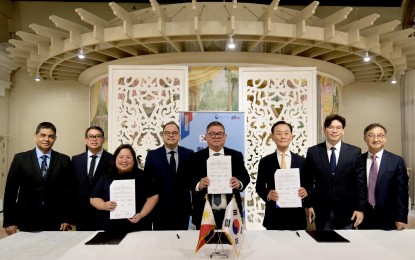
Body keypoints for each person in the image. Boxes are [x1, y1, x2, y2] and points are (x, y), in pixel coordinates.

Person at [3, 122, 74, 235]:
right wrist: (9, 221)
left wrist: (67, 218)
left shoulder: (63, 160)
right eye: (43, 135)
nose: (46, 139)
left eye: (51, 136)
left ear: (55, 139)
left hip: (55, 220)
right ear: (35, 136)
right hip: (27, 218)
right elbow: (10, 192)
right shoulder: (20, 159)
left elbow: (68, 192)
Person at [303, 114, 367, 230]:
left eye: (338, 127)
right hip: (321, 210)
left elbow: (360, 183)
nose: (334, 130)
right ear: (324, 130)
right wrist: (309, 204)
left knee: (347, 246)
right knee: (324, 246)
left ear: (343, 131)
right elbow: (307, 180)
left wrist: (360, 208)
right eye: (331, 127)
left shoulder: (354, 152)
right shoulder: (313, 152)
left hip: (348, 211)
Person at [187, 121, 250, 229]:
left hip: (231, 212)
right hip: (204, 213)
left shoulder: (236, 155)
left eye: (220, 134)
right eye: (212, 134)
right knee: (206, 246)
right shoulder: (195, 157)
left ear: (225, 136)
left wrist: (238, 183)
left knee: (230, 245)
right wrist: (199, 184)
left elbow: (245, 177)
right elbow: (188, 179)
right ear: (206, 137)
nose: (216, 137)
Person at [90, 144, 159, 232]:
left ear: (134, 160)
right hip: (111, 227)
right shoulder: (106, 177)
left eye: (128, 157)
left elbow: (153, 197)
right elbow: (94, 198)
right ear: (115, 159)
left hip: (139, 226)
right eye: (121, 157)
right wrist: (104, 205)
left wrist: (141, 214)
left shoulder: (143, 176)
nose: (124, 160)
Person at [256, 121, 308, 230]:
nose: (283, 137)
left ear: (291, 136)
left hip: (297, 217)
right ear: (272, 137)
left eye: (286, 133)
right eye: (279, 133)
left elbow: (309, 185)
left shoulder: (302, 161)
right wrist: (268, 194)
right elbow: (259, 187)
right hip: (273, 217)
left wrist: (306, 191)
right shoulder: (265, 161)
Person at [144, 121, 194, 230]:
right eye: (167, 133)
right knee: (161, 243)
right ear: (162, 136)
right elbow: (147, 182)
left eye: (174, 133)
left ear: (179, 136)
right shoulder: (152, 155)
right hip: (159, 209)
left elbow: (192, 181)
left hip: (182, 208)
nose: (171, 135)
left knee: (180, 240)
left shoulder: (189, 154)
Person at [359, 123, 408, 230]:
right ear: (365, 138)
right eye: (371, 135)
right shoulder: (358, 160)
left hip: (389, 217)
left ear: (385, 139)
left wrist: (401, 217)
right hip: (364, 216)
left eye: (380, 135)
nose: (375, 139)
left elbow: (402, 192)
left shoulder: (396, 161)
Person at [72, 126, 113, 230]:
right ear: (85, 140)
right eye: (91, 136)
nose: (94, 139)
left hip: (104, 213)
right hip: (82, 214)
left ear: (103, 140)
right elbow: (71, 187)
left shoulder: (112, 160)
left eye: (98, 136)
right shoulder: (76, 160)